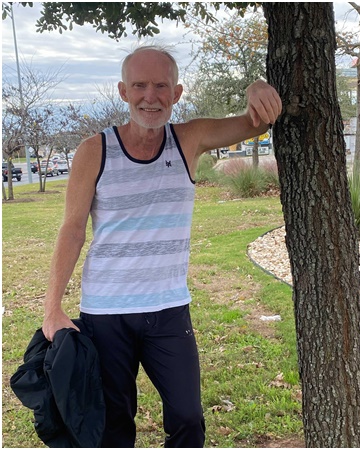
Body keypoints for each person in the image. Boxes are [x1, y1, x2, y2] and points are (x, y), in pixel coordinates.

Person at [41, 45, 282, 448]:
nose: (150, 96)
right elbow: (72, 230)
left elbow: (252, 123)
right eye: (139, 85)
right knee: (114, 427)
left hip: (168, 310)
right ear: (122, 91)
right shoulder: (93, 152)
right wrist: (52, 309)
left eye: (161, 86)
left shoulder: (189, 139)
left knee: (188, 420)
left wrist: (255, 87)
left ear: (177, 93)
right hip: (106, 312)